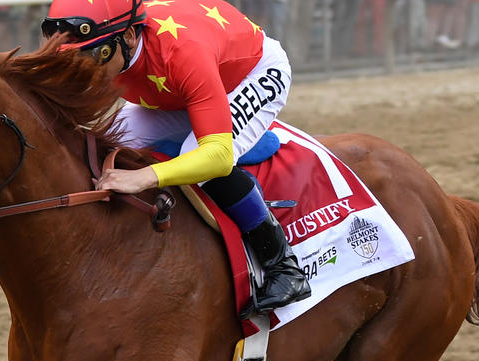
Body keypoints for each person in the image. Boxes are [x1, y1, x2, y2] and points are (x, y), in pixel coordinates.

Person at [41, 0, 310, 315]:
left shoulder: (181, 53)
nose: (83, 68)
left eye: (93, 55)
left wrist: (145, 176)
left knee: (196, 157)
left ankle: (282, 265)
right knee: (106, 143)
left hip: (248, 75)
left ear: (128, 36)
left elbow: (218, 157)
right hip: (182, 85)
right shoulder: (111, 45)